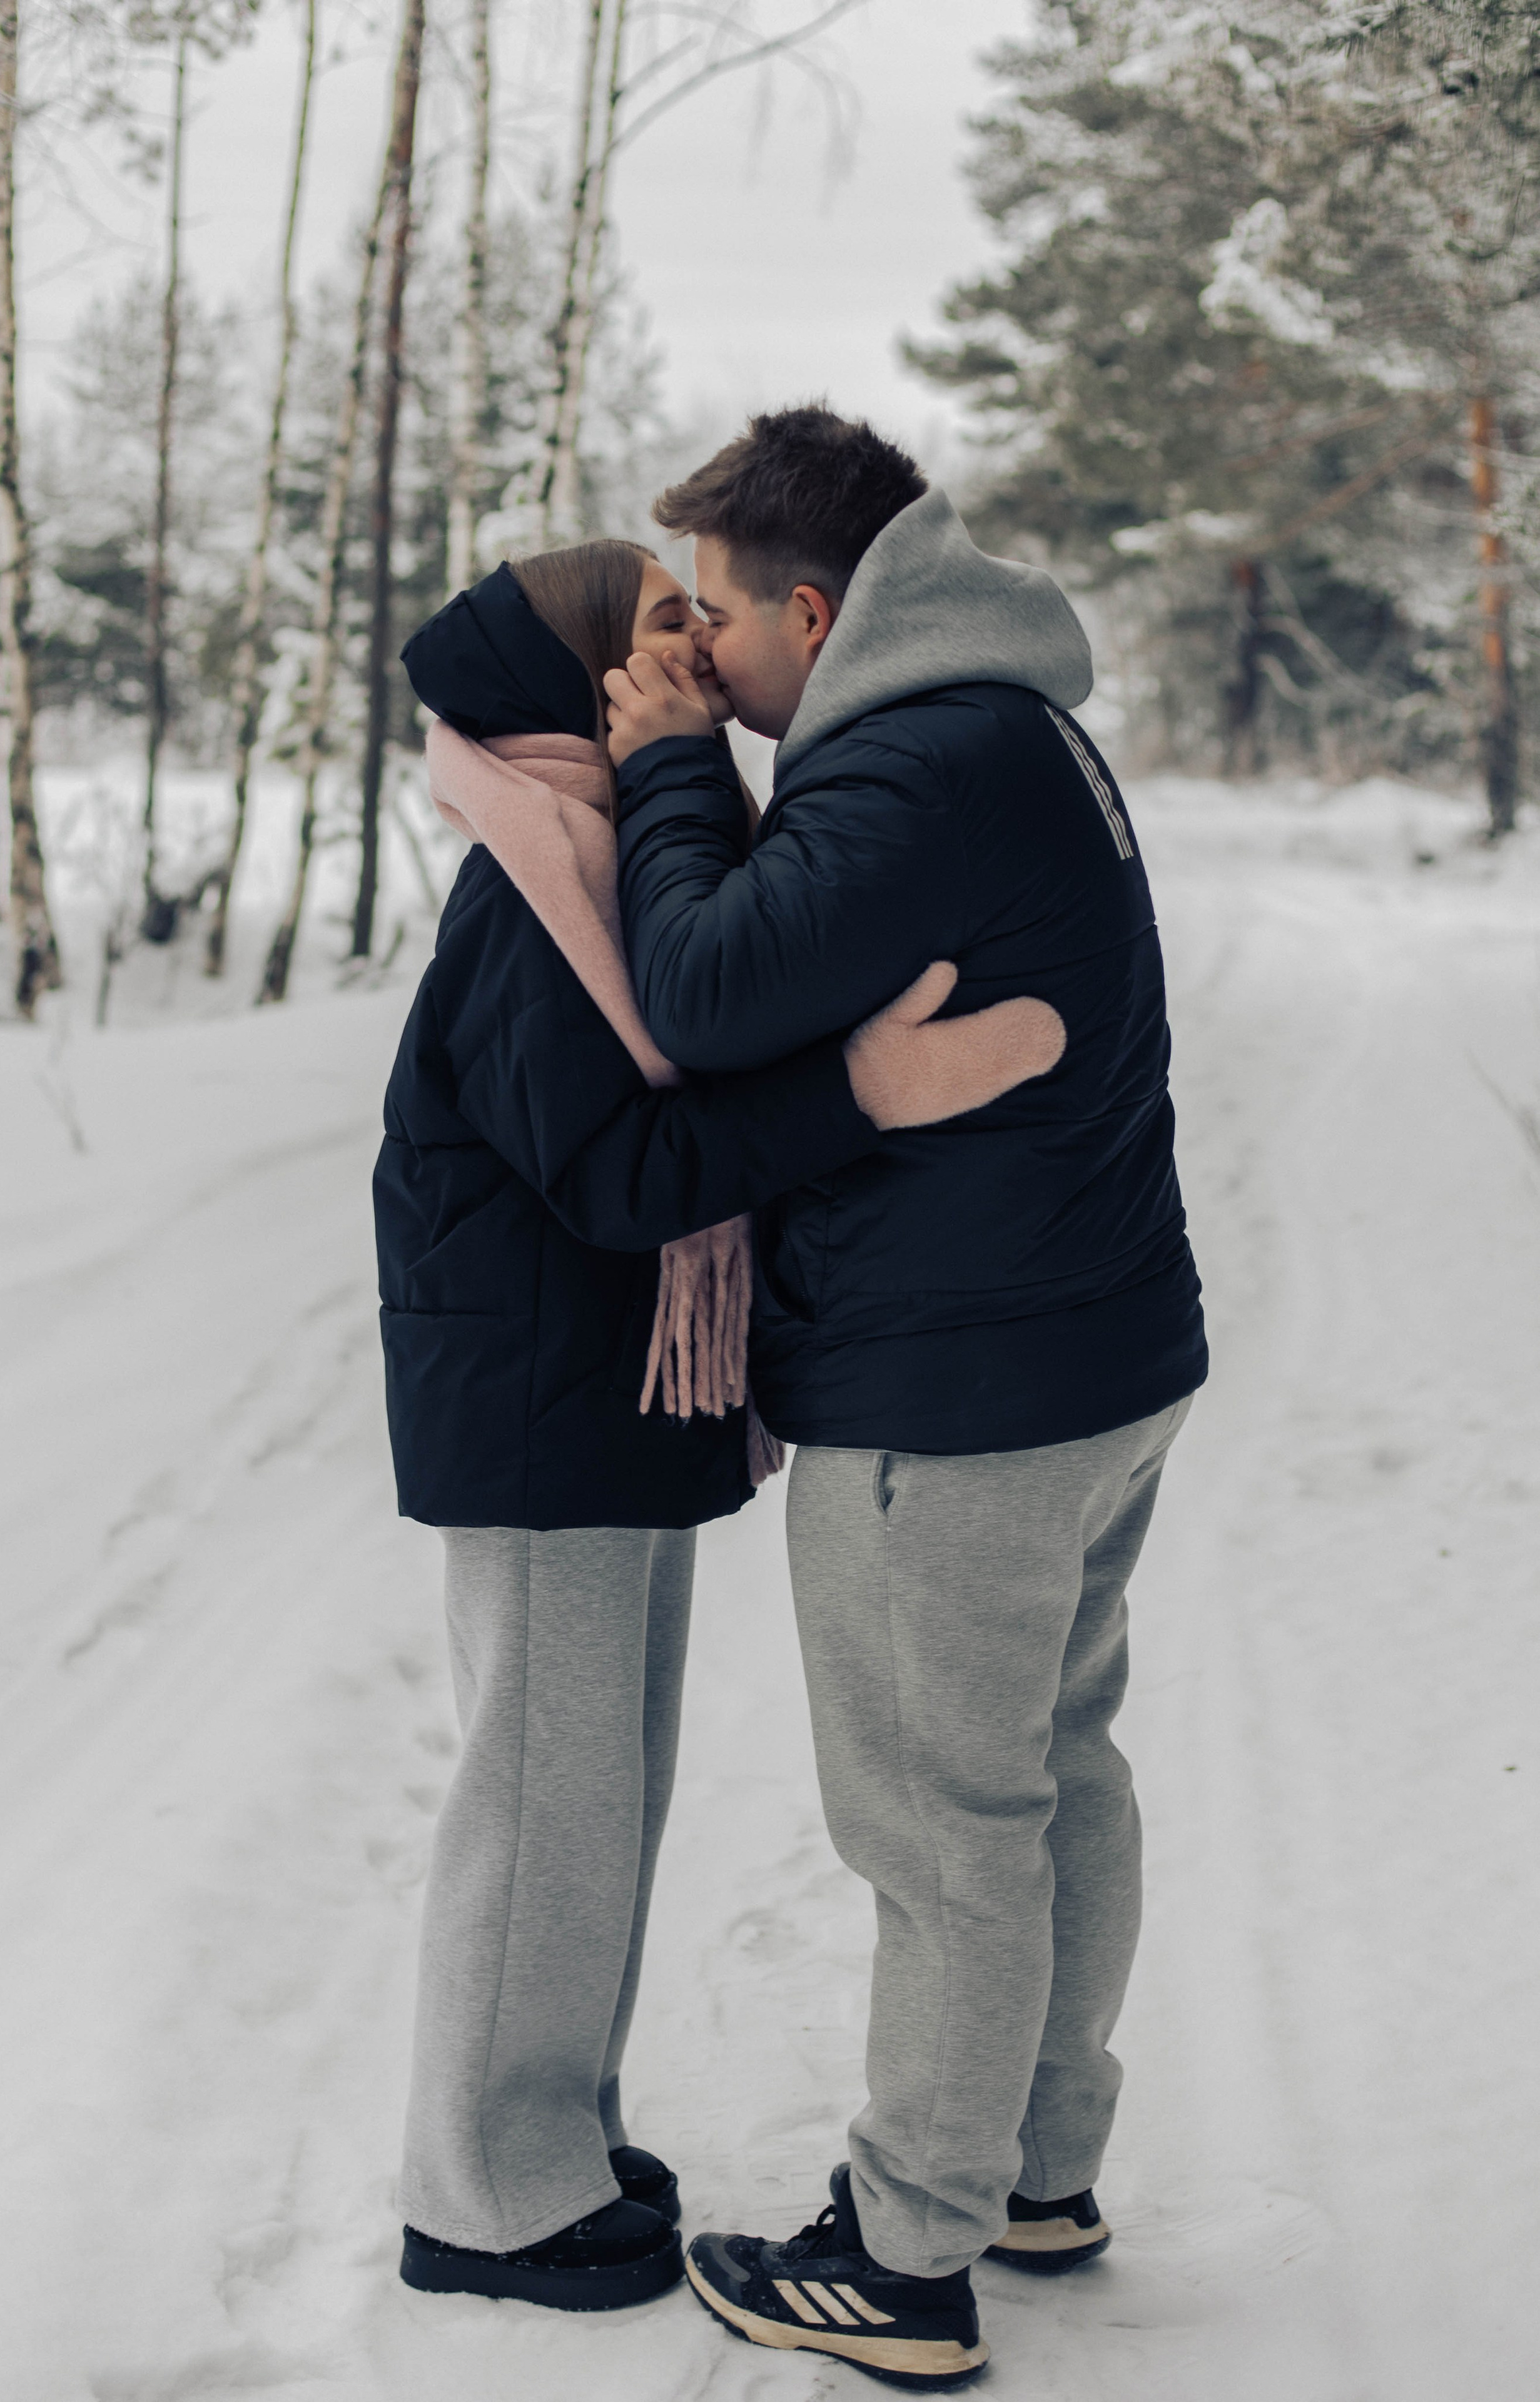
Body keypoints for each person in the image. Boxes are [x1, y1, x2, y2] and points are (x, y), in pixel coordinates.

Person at [373, 537, 1068, 2318]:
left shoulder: (592, 859)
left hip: (593, 1392)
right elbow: (618, 1179)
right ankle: (486, 2194)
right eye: (654, 629)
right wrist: (858, 1094)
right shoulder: (532, 895)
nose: (688, 652)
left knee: (593, 1791)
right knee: (540, 1799)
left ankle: (551, 2138)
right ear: (575, 678)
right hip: (542, 1405)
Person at [600, 407, 1209, 2388]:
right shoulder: (1005, 723)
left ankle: (909, 2251)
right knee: (1052, 1773)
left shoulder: (912, 766)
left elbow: (695, 993)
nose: (694, 652)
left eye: (709, 618)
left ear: (809, 608)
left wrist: (672, 765)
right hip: (1085, 1364)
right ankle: (1033, 2170)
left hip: (952, 1405)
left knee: (944, 1827)